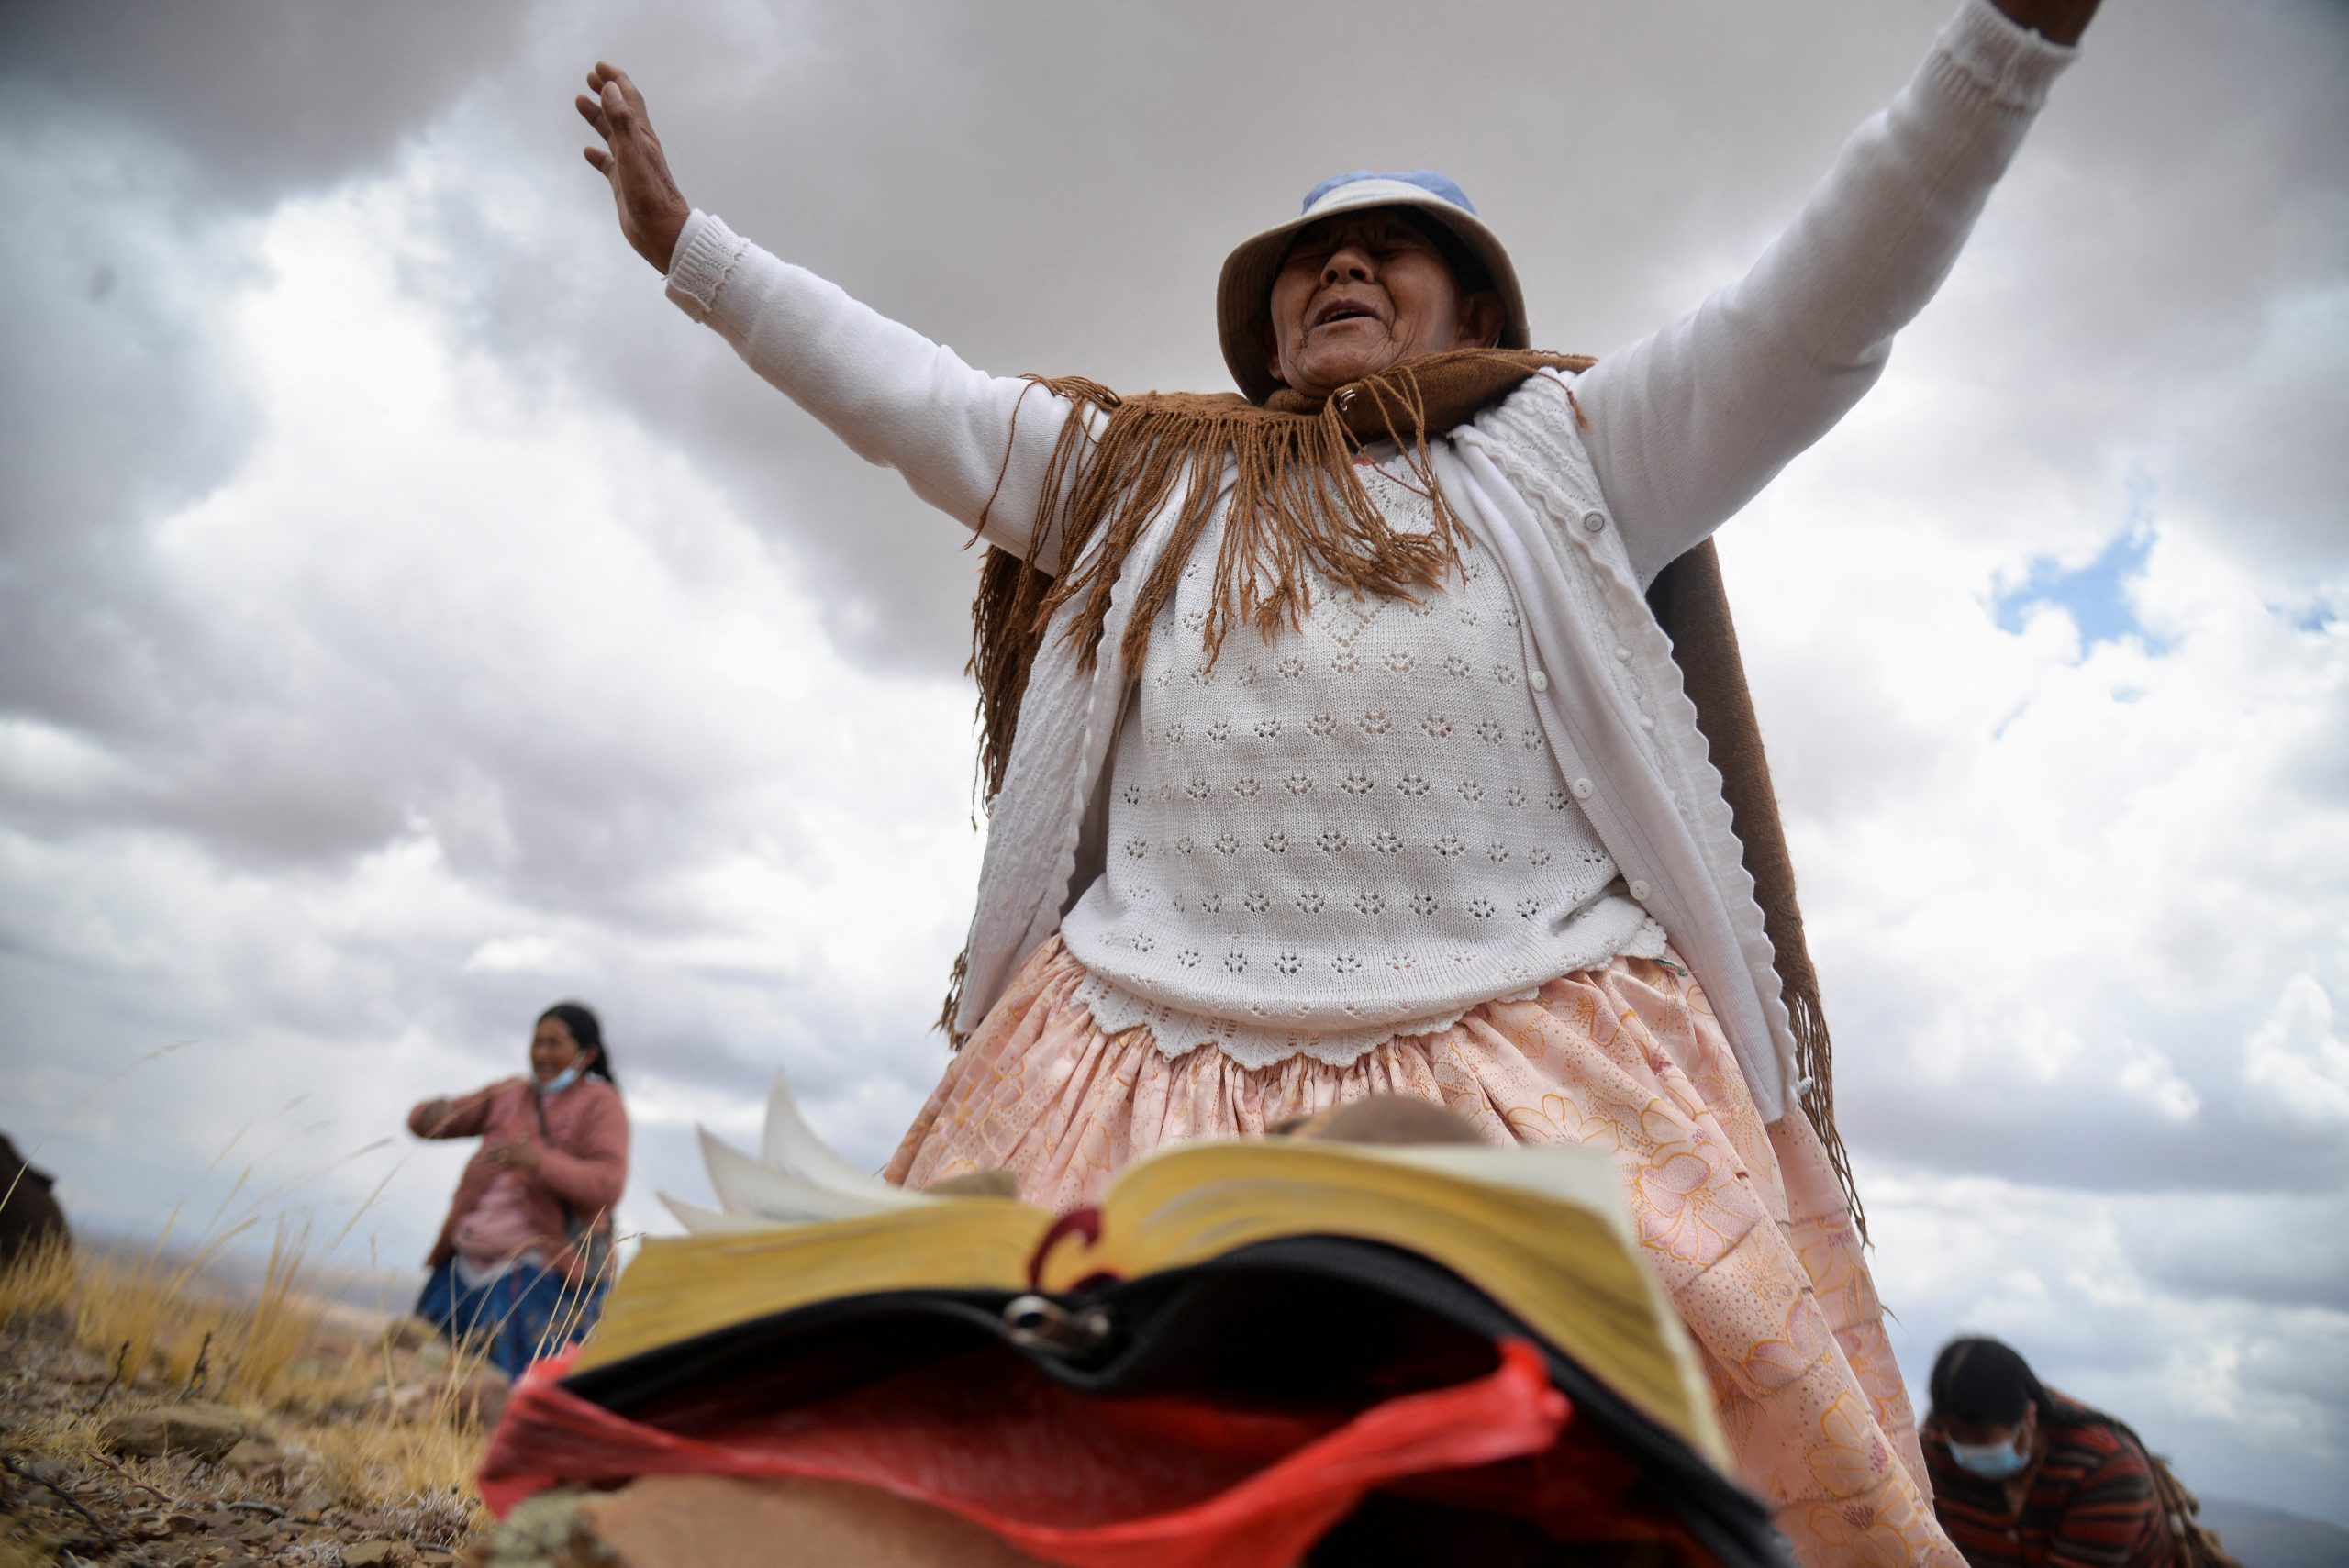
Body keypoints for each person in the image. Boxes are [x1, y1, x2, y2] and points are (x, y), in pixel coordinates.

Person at [576, 2, 2099, 1562]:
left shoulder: (1578, 451)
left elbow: (1819, 308)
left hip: (1529, 1075)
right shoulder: (1140, 478)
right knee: (992, 1487)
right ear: (1271, 322)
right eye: (1313, 255)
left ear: (1473, 303)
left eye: (1393, 246)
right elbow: (910, 395)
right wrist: (691, 246)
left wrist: (2007, 48)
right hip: (1128, 1052)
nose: (1344, 266)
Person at [407, 1002, 629, 1380]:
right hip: (464, 1263)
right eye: (537, 1042)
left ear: (586, 1054)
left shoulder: (601, 1104)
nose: (541, 1053)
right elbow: (431, 1122)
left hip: (534, 1271)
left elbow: (607, 1185)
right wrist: (430, 1114)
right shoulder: (509, 1095)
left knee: (507, 1386)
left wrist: (537, 1162)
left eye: (554, 1043)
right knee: (423, 1371)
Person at [1921, 1337, 2185, 1568]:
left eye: (1981, 1437)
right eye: (1956, 1435)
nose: (1966, 1447)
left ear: (2028, 1418)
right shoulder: (1935, 1446)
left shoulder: (2107, 1471)